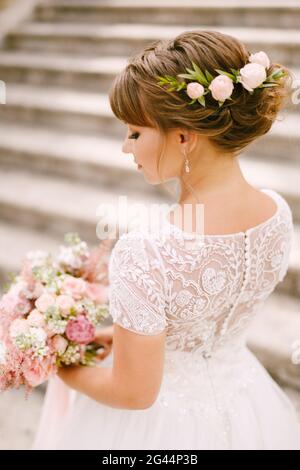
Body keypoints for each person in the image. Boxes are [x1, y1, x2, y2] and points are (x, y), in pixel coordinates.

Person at [32, 30, 300, 450]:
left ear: (183, 136)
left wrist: (62, 369)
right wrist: (125, 339)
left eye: (135, 133)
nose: (125, 147)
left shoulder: (147, 250)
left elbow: (134, 393)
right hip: (246, 403)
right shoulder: (276, 212)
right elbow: (206, 325)